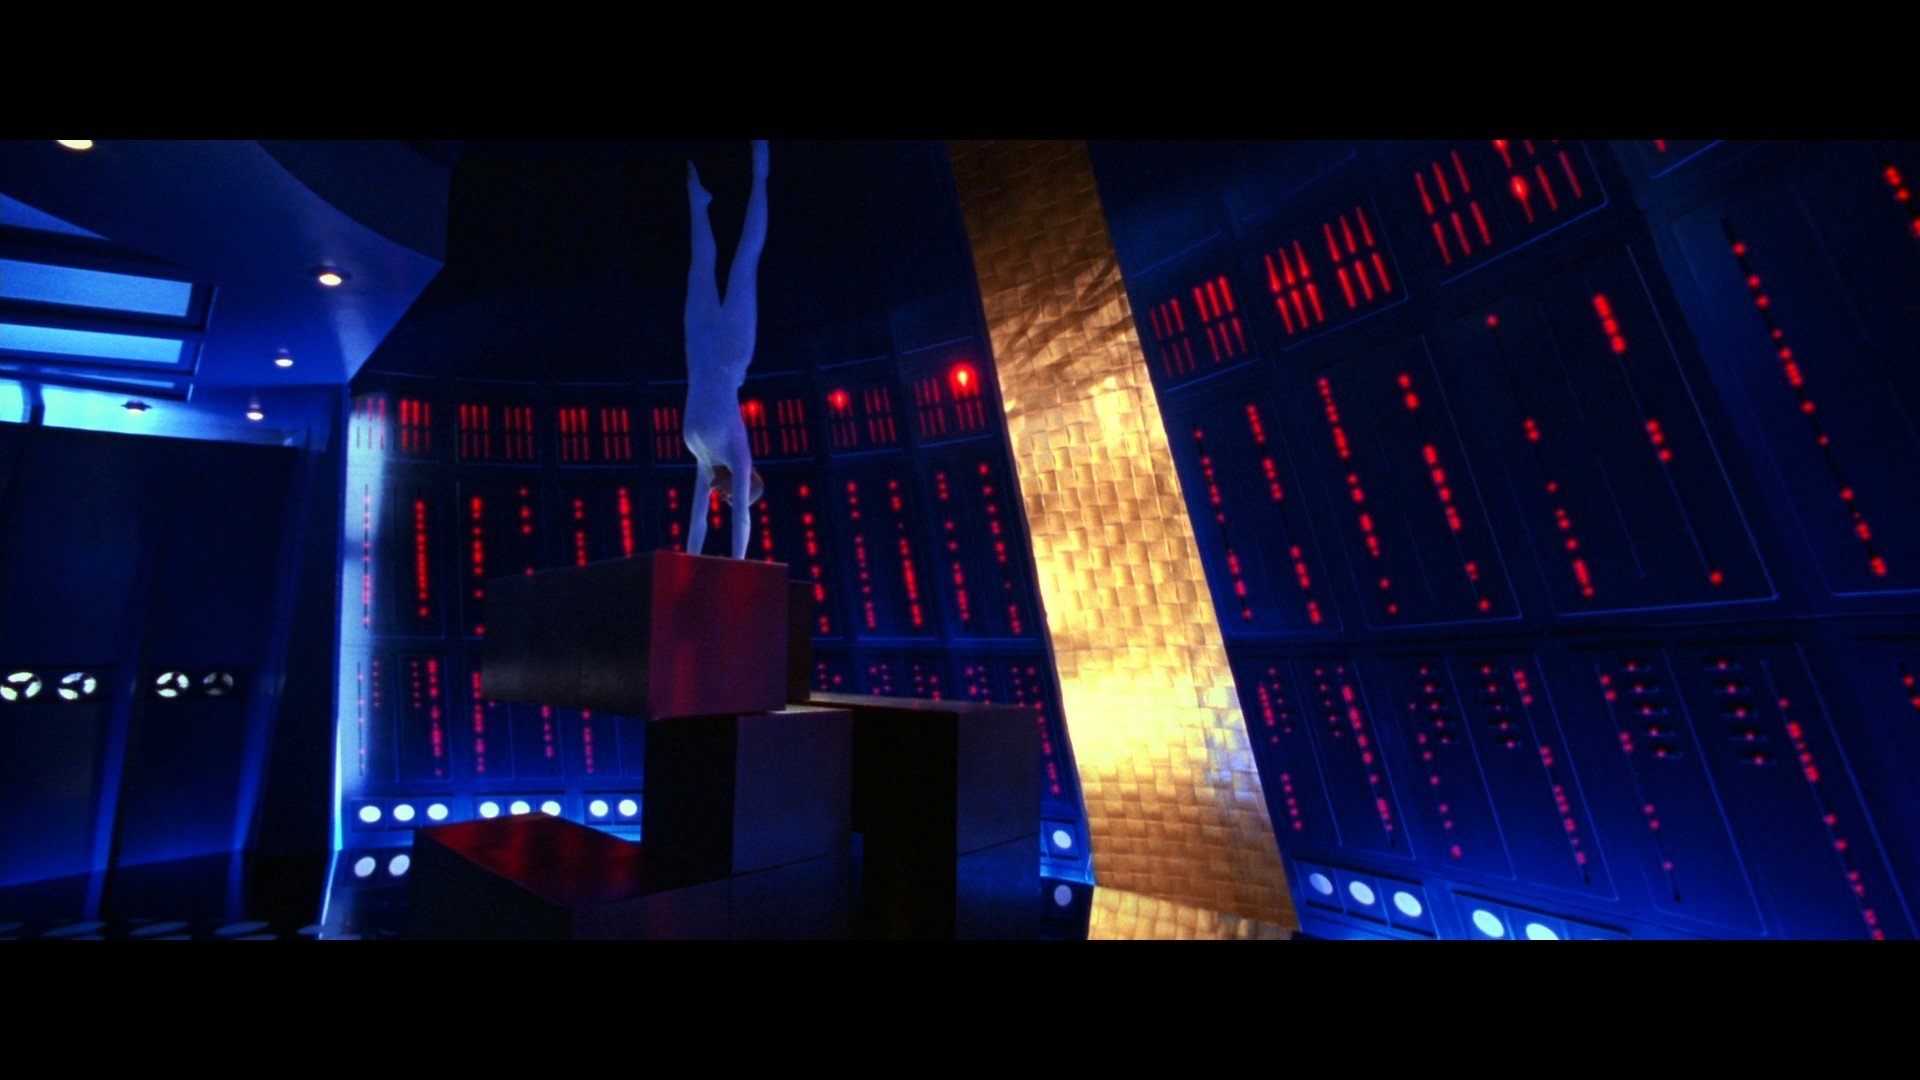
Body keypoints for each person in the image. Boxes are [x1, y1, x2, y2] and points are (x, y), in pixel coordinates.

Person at [682, 139, 769, 559]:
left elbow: (697, 520)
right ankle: (760, 171)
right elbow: (742, 522)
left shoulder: (704, 462)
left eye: (730, 502)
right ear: (747, 476)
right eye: (736, 497)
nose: (727, 500)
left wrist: (688, 565)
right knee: (745, 261)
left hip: (698, 350)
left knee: (700, 267)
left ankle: (698, 201)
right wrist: (737, 567)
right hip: (731, 352)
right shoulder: (737, 450)